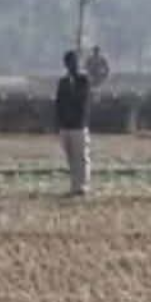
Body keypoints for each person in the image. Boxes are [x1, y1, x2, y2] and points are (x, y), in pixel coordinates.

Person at [56, 51, 93, 197]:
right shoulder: (63, 82)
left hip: (78, 125)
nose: (72, 65)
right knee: (71, 157)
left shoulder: (84, 80)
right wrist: (59, 122)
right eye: (69, 62)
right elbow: (59, 103)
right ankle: (74, 185)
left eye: (74, 62)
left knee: (81, 157)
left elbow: (82, 100)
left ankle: (83, 186)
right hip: (65, 126)